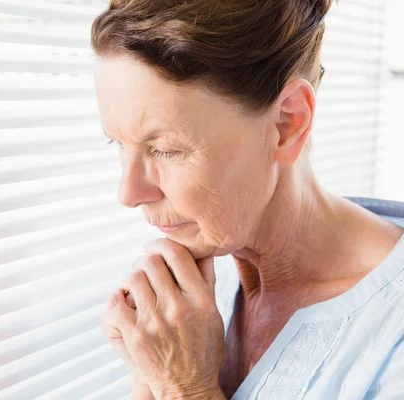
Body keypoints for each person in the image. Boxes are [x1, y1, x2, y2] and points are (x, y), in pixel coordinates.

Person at [91, 0, 404, 399]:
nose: (128, 193)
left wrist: (184, 387)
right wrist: (148, 377)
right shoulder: (193, 289)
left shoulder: (393, 343)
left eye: (166, 149)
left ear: (287, 124)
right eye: (117, 142)